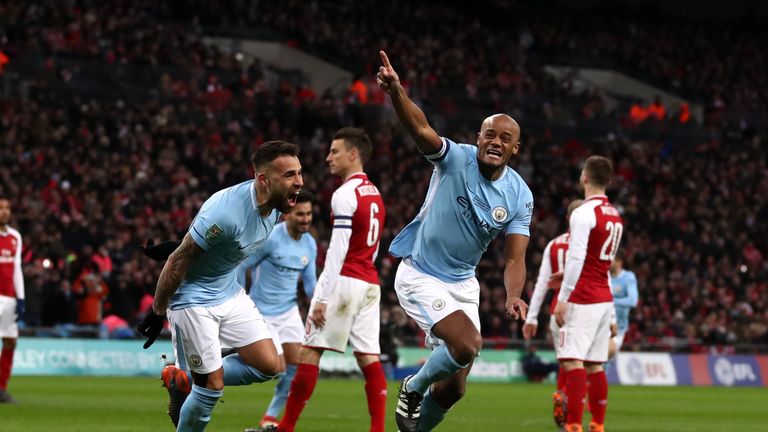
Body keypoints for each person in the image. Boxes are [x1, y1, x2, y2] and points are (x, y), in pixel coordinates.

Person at [376, 50, 533, 432]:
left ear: (515, 149)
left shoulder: (520, 195)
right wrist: (397, 92)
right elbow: (421, 130)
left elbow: (515, 260)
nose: (495, 141)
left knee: (453, 389)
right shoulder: (455, 159)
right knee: (466, 345)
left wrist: (514, 295)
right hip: (420, 273)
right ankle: (412, 386)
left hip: (464, 283)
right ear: (478, 138)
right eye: (490, 134)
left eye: (505, 138)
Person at [136, 141, 304, 432]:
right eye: (289, 175)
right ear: (263, 180)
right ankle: (197, 381)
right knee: (211, 388)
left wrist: (171, 246)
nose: (299, 182)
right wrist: (156, 311)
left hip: (228, 291)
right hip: (192, 300)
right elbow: (179, 261)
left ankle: (185, 377)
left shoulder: (277, 209)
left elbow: (219, 246)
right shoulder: (225, 212)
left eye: (299, 173)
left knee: (271, 366)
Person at [277, 128, 387, 432]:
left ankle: (285, 427)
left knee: (310, 351)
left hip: (345, 279)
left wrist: (322, 298)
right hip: (369, 282)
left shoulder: (345, 194)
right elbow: (374, 247)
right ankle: (378, 429)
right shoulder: (374, 193)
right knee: (368, 357)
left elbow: (337, 251)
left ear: (354, 154)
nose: (328, 157)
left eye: (334, 151)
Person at [552, 156, 623, 432]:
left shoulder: (582, 213)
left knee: (572, 359)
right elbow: (598, 261)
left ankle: (572, 425)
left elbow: (577, 256)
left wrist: (563, 297)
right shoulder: (615, 215)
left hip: (583, 297)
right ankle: (597, 424)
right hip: (604, 297)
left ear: (584, 177)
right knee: (595, 364)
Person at [236, 191, 318, 430]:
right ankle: (220, 366)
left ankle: (270, 417)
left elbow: (311, 283)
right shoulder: (271, 238)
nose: (305, 219)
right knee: (277, 367)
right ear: (287, 216)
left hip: (289, 312)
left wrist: (319, 306)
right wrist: (240, 299)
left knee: (297, 366)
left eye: (309, 214)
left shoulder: (310, 244)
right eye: (300, 214)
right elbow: (242, 266)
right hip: (262, 312)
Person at [522, 199, 582, 428]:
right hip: (582, 307)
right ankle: (575, 408)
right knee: (581, 365)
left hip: (557, 310)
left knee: (566, 361)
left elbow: (542, 284)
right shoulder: (589, 245)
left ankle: (560, 395)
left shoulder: (554, 245)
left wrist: (532, 317)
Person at [0, 197, 24, 404]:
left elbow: (17, 269)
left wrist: (21, 298)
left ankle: (1, 388)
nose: (5, 211)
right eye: (1, 208)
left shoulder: (15, 237)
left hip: (9, 298)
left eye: (7, 208)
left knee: (10, 342)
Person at [608, 251, 638, 358]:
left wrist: (609, 301)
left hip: (619, 328)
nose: (608, 261)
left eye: (611, 259)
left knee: (606, 359)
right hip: (602, 325)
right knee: (598, 360)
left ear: (619, 262)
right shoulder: (605, 276)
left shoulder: (628, 277)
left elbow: (632, 301)